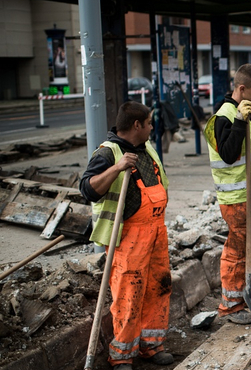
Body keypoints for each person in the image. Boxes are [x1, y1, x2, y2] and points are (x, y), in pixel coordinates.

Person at [79, 101, 173, 370]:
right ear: (136, 125)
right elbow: (87, 189)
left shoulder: (146, 149)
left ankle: (152, 345)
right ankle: (122, 355)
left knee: (159, 288)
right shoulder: (108, 154)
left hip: (156, 232)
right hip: (129, 239)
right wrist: (117, 168)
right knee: (128, 296)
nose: (152, 127)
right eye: (149, 123)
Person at [202, 64, 251, 325]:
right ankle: (232, 305)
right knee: (239, 251)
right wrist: (238, 121)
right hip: (238, 199)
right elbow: (228, 155)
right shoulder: (222, 118)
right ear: (242, 88)